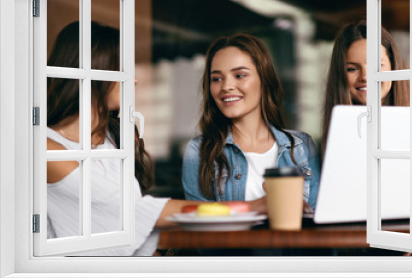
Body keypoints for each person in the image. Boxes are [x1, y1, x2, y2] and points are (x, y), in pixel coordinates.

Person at [46, 21, 266, 256]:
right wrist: (248, 208)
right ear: (94, 70)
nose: (134, 80)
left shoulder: (115, 137)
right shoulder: (47, 150)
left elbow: (130, 232)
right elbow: (131, 211)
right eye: (124, 70)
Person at [182, 33, 320, 210]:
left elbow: (316, 218)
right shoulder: (199, 151)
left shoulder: (302, 146)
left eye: (239, 75)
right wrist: (259, 206)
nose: (226, 87)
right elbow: (201, 224)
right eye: (217, 78)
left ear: (264, 79)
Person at [321, 20, 410, 153]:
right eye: (352, 69)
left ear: (393, 67)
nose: (365, 76)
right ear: (340, 75)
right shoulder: (330, 140)